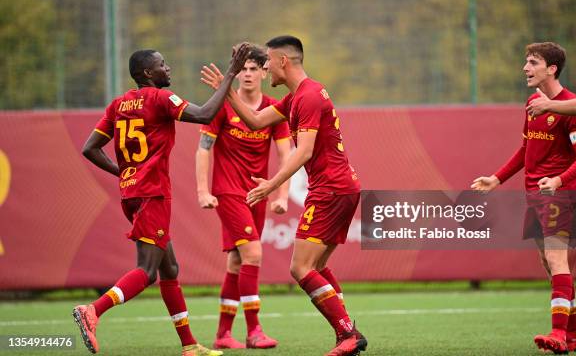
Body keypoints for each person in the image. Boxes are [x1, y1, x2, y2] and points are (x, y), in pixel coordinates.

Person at [74, 43, 252, 356]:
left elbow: (90, 147)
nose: (167, 68)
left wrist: (126, 172)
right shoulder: (160, 97)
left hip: (132, 193)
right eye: (162, 64)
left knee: (169, 268)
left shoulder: (118, 105)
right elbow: (205, 114)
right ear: (147, 73)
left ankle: (189, 345)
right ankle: (93, 311)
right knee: (146, 271)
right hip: (153, 193)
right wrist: (231, 73)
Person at [201, 35, 367, 356]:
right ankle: (347, 331)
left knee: (300, 269)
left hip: (330, 189)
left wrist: (272, 185)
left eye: (266, 63)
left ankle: (347, 332)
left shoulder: (307, 98)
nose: (264, 69)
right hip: (342, 186)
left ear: (282, 62)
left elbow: (303, 151)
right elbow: (255, 121)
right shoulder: (298, 97)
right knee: (316, 266)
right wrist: (225, 89)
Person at [471, 42, 576, 354]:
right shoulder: (533, 103)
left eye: (533, 62)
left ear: (551, 69)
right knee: (549, 264)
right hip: (534, 195)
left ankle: (558, 334)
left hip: (558, 196)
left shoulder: (571, 106)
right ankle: (574, 335)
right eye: (526, 62)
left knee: (556, 258)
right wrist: (496, 178)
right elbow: (526, 149)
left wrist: (559, 179)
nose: (525, 68)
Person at [195, 45, 291, 349]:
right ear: (235, 72)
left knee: (237, 262)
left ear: (265, 72)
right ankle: (254, 331)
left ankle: (223, 334)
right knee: (253, 255)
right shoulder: (221, 105)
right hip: (229, 193)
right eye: (242, 69)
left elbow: (286, 154)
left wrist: (281, 195)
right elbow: (203, 149)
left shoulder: (274, 109)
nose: (247, 74)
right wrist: (202, 191)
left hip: (257, 194)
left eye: (253, 69)